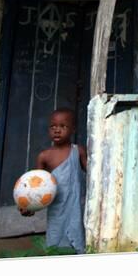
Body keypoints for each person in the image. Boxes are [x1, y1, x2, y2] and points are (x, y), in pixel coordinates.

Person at [19, 108, 88, 254]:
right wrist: (29, 205)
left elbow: (94, 177)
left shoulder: (79, 151)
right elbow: (37, 187)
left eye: (63, 126)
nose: (57, 130)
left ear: (73, 129)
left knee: (79, 243)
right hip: (56, 209)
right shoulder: (44, 156)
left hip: (77, 208)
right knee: (55, 245)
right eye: (53, 126)